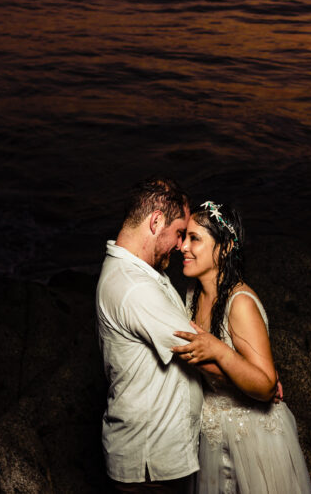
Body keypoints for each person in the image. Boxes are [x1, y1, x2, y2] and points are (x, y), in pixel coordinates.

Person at [171, 201, 311, 494]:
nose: (182, 246)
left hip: (253, 438)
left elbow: (264, 386)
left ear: (224, 248)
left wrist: (220, 351)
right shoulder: (191, 295)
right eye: (184, 236)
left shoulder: (241, 304)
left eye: (194, 238)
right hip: (211, 433)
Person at [95, 177, 204, 492]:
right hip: (151, 466)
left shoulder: (144, 271)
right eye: (180, 233)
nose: (183, 245)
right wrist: (257, 378)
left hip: (156, 460)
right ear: (156, 222)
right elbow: (200, 352)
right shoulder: (134, 286)